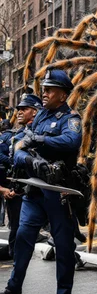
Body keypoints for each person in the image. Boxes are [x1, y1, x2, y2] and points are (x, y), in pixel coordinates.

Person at [0, 70, 82, 294]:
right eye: (44, 89)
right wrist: (31, 161)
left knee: (64, 245)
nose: (44, 94)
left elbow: (71, 142)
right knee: (23, 238)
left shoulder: (71, 118)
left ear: (63, 94)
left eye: (49, 90)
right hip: (35, 189)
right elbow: (20, 147)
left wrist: (40, 139)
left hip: (59, 191)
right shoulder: (39, 117)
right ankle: (14, 286)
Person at [0, 94, 43, 259]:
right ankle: (16, 261)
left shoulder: (42, 132)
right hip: (20, 191)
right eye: (18, 109)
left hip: (43, 188)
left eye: (24, 109)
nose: (18, 112)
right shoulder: (15, 137)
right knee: (18, 230)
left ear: (35, 112)